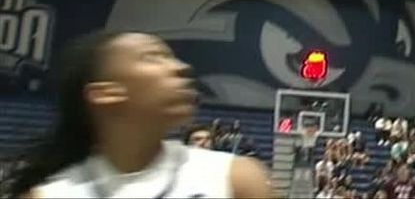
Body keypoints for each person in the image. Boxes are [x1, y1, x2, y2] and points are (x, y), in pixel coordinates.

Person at [9, 31, 272, 198]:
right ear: (106, 93)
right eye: (152, 57)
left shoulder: (236, 179)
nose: (181, 67)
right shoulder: (50, 195)